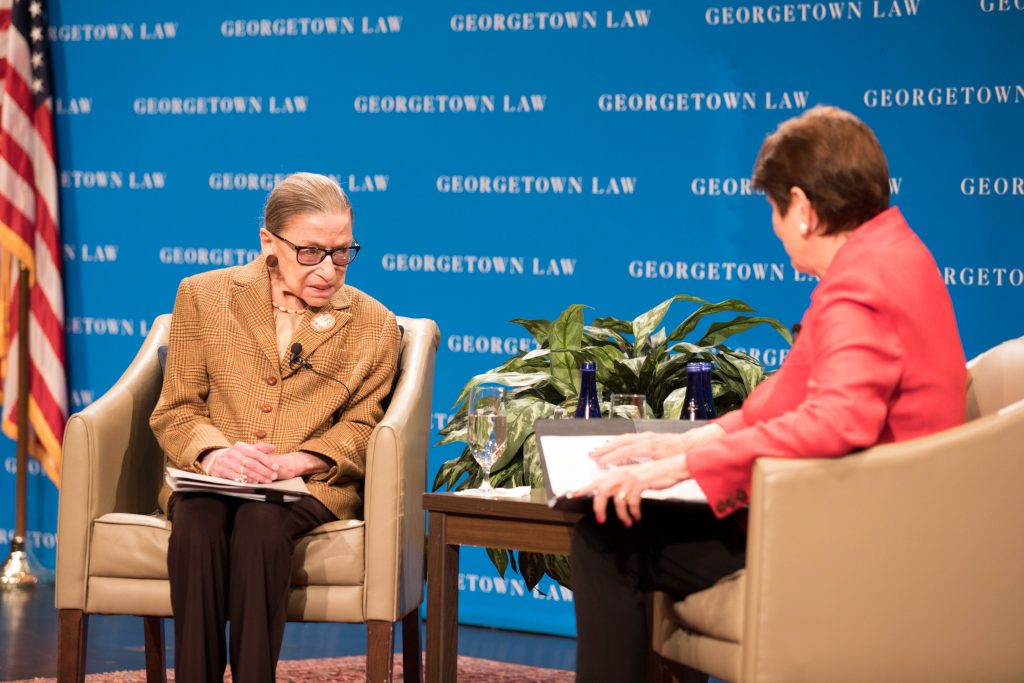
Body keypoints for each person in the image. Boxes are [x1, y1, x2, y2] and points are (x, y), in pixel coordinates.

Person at [569, 106, 967, 682]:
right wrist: (694, 440)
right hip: (874, 511)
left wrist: (685, 466)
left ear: (803, 209)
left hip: (857, 536)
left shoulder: (861, 284)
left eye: (775, 211)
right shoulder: (895, 253)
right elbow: (800, 387)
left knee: (606, 536)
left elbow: (836, 421)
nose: (776, 229)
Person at [150, 172, 401, 683]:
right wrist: (215, 455)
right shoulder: (203, 295)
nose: (329, 270)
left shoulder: (375, 323)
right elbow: (176, 409)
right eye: (310, 252)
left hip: (309, 485)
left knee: (261, 529)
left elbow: (362, 428)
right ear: (269, 241)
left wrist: (298, 461)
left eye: (343, 252)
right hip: (212, 476)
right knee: (197, 525)